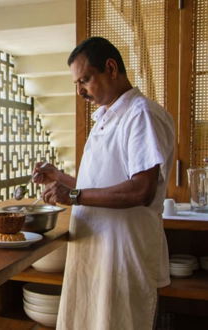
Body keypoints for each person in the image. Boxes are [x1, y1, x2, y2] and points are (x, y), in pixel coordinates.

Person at [32, 37, 174, 330]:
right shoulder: (108, 118)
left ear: (111, 68)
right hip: (95, 249)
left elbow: (141, 190)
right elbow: (96, 185)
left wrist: (73, 193)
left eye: (85, 80)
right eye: (77, 83)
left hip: (122, 253)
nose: (80, 91)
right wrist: (60, 177)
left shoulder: (141, 115)